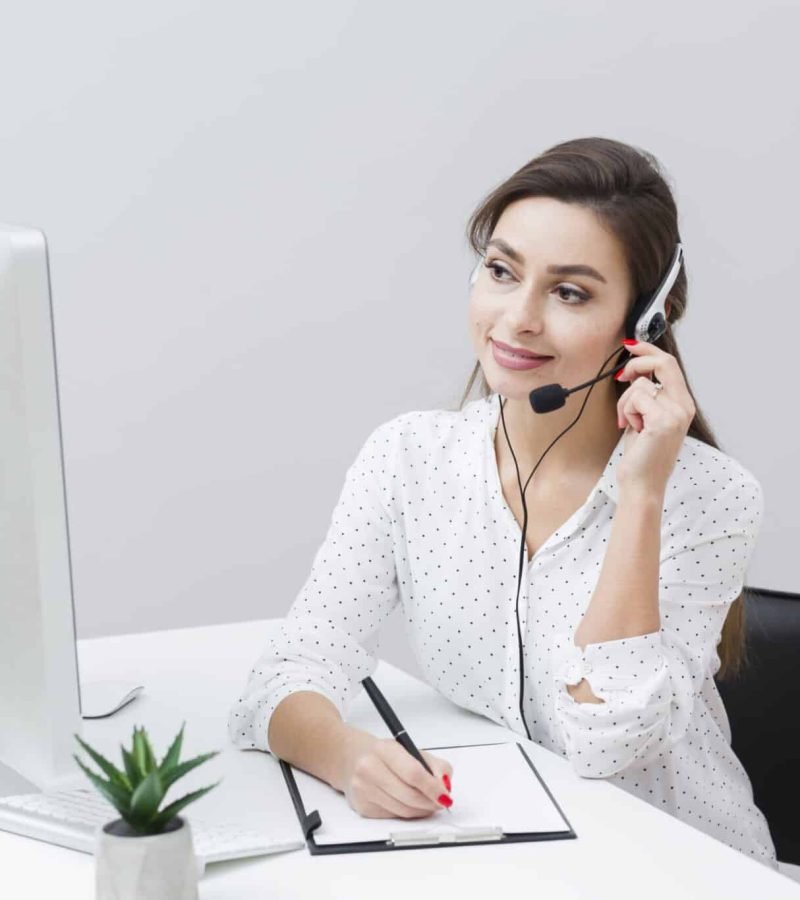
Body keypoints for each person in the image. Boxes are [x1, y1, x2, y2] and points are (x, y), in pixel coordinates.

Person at [227, 136, 778, 867]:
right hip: (513, 860)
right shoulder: (409, 460)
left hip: (682, 866)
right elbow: (281, 677)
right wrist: (347, 757)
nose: (517, 317)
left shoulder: (708, 496)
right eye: (501, 271)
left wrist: (641, 495)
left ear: (644, 321)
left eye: (569, 292)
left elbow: (607, 742)